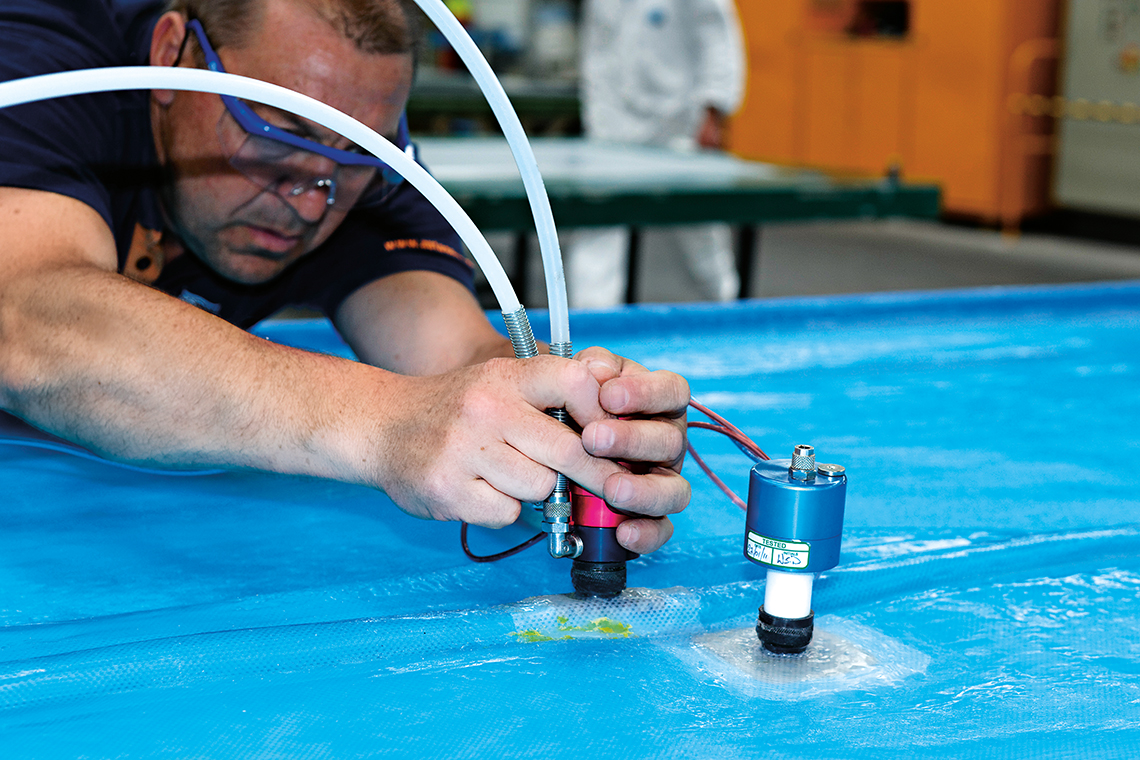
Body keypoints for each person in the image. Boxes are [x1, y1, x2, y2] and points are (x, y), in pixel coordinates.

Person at [0, 0, 690, 556]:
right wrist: (384, 423)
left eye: (354, 157)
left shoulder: (363, 169)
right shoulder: (48, 53)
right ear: (170, 55)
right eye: (274, 132)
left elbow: (457, 356)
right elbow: (27, 323)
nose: (309, 202)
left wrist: (569, 429)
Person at [567, 0, 747, 308]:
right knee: (600, 222)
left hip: (679, 125)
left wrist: (712, 112)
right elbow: (597, 49)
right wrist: (598, 118)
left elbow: (717, 37)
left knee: (698, 229)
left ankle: (723, 307)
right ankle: (591, 321)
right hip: (614, 125)